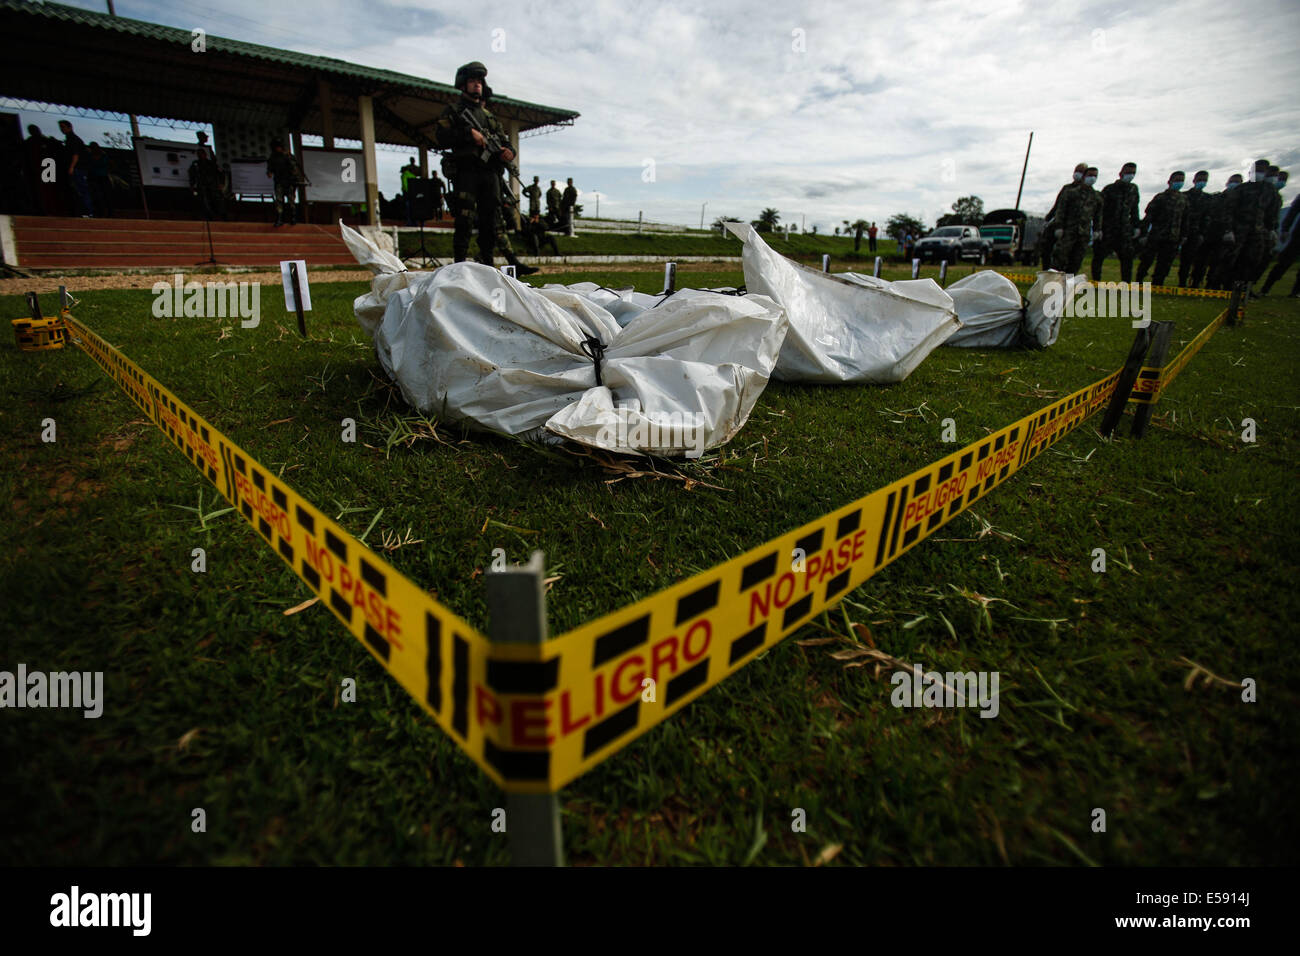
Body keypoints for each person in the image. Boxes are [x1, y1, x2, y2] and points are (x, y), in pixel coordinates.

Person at [433, 61, 514, 264]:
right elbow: (441, 137)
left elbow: (505, 142)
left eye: (479, 81)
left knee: (489, 221)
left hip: (489, 174)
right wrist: (468, 134)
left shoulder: (490, 117)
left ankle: (488, 263)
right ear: (462, 84)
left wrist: (508, 152)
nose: (477, 85)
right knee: (464, 220)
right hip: (466, 172)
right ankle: (459, 264)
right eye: (472, 81)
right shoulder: (453, 111)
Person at [1226, 159, 1274, 289]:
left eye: (1261, 171)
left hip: (1258, 231)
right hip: (1239, 229)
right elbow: (1230, 210)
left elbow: (1271, 211)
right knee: (1233, 257)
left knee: (1253, 259)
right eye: (1255, 171)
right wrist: (1229, 230)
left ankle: (1245, 287)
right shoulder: (1242, 189)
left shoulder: (1269, 190)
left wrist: (1272, 229)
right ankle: (1227, 285)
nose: (1258, 173)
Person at [1136, 171, 1188, 288]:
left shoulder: (1183, 199)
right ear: (1169, 182)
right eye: (1177, 180)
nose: (1179, 182)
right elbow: (1149, 216)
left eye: (1181, 180)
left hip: (1173, 237)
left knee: (1165, 263)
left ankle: (1158, 284)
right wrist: (1143, 233)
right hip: (1156, 235)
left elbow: (1185, 219)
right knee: (1147, 260)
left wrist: (1184, 235)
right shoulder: (1161, 198)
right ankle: (1139, 281)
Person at [1092, 162, 1140, 282]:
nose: (1131, 175)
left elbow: (1134, 209)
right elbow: (1100, 210)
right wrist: (1098, 228)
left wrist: (1136, 226)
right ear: (1121, 173)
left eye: (1133, 173)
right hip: (1108, 229)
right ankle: (1096, 282)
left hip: (1124, 230)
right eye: (1128, 172)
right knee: (1099, 256)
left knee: (1127, 258)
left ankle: (1126, 284)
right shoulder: (1110, 189)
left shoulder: (1133, 190)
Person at [1053, 165, 1101, 274]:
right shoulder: (1071, 193)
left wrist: (1097, 229)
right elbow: (1061, 210)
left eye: (1095, 176)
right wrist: (1059, 226)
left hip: (1083, 233)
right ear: (1084, 176)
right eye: (1090, 175)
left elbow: (1098, 215)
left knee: (1076, 261)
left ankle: (1069, 284)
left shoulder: (1097, 197)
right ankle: (1052, 283)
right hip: (1068, 231)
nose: (1092, 178)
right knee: (1060, 258)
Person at [1042, 163, 1088, 270]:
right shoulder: (1067, 188)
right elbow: (1057, 206)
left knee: (1071, 256)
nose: (1078, 174)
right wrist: (1048, 219)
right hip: (1059, 224)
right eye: (1077, 171)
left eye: (1081, 171)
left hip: (1075, 229)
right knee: (1047, 249)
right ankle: (1046, 273)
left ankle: (1067, 278)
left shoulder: (1089, 193)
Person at [1258, 191, 1300, 297]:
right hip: (1298, 236)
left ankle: (1296, 292)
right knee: (1284, 262)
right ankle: (1265, 289)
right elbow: (1292, 212)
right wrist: (1285, 229)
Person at [1176, 171, 1211, 287]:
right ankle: (1182, 283)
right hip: (1184, 232)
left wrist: (1203, 233)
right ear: (1194, 180)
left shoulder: (1208, 198)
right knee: (1185, 260)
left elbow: (1208, 217)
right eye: (1200, 179)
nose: (1202, 182)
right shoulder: (1184, 196)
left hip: (1200, 234)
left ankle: (1196, 283)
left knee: (1201, 261)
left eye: (1205, 180)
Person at [58, 120, 93, 216]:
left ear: (70, 127)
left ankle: (88, 212)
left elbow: (75, 154)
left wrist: (71, 167)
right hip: (77, 168)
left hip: (78, 168)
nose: (62, 129)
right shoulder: (70, 139)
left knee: (82, 190)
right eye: (61, 127)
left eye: (63, 127)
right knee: (78, 190)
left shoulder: (73, 139)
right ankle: (84, 211)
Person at [266, 141, 304, 226]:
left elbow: (295, 169)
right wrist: (269, 173)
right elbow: (270, 170)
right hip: (279, 182)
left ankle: (293, 217)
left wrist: (294, 178)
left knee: (291, 201)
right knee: (279, 201)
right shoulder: (273, 158)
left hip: (289, 182)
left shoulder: (288, 156)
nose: (277, 149)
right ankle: (280, 219)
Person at [189, 146, 225, 220]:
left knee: (217, 201)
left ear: (205, 154)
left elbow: (220, 173)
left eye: (202, 154)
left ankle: (221, 216)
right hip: (202, 186)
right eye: (199, 154)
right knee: (205, 202)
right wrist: (192, 185)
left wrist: (221, 183)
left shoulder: (212, 164)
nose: (200, 155)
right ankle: (210, 216)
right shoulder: (196, 164)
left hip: (213, 186)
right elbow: (192, 175)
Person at [86, 142, 115, 218]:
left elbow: (109, 165)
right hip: (95, 178)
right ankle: (102, 213)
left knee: (106, 197)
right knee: (98, 197)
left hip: (102, 177)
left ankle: (107, 213)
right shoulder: (91, 156)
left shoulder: (103, 156)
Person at [400, 157, 420, 225]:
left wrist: (406, 191)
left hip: (407, 194)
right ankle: (416, 222)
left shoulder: (404, 175)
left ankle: (409, 222)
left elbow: (405, 185)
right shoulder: (413, 175)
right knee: (414, 208)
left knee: (408, 208)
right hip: (414, 194)